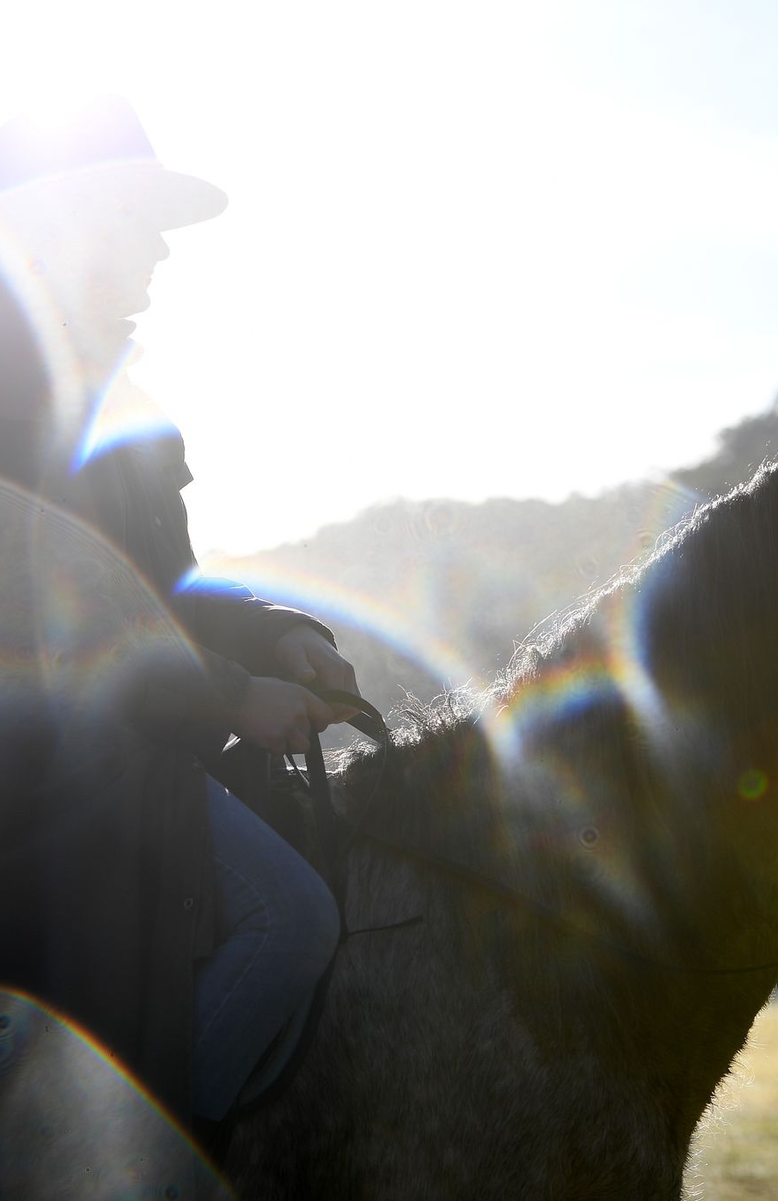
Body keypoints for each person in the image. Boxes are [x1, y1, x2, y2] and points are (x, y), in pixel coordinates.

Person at [0, 96, 354, 1133]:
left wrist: (280, 634)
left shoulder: (129, 405)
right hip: (48, 791)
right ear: (62, 225)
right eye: (132, 219)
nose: (157, 250)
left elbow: (172, 594)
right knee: (290, 921)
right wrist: (235, 696)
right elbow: (56, 625)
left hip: (133, 759)